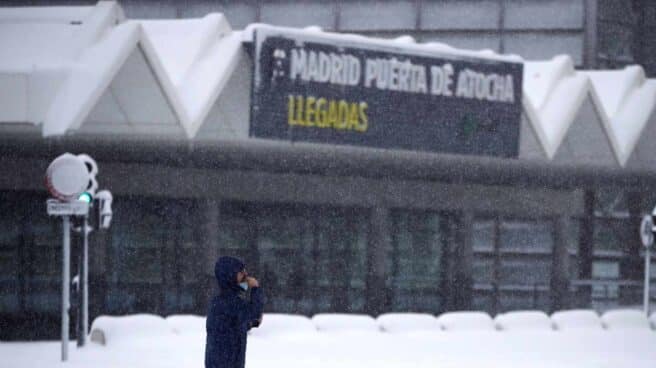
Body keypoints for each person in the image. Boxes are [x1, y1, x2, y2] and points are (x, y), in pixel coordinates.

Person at [205, 256, 264, 368]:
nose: (246, 275)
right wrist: (255, 288)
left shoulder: (224, 301)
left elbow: (233, 327)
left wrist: (251, 323)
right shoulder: (228, 302)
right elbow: (254, 312)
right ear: (230, 275)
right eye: (241, 272)